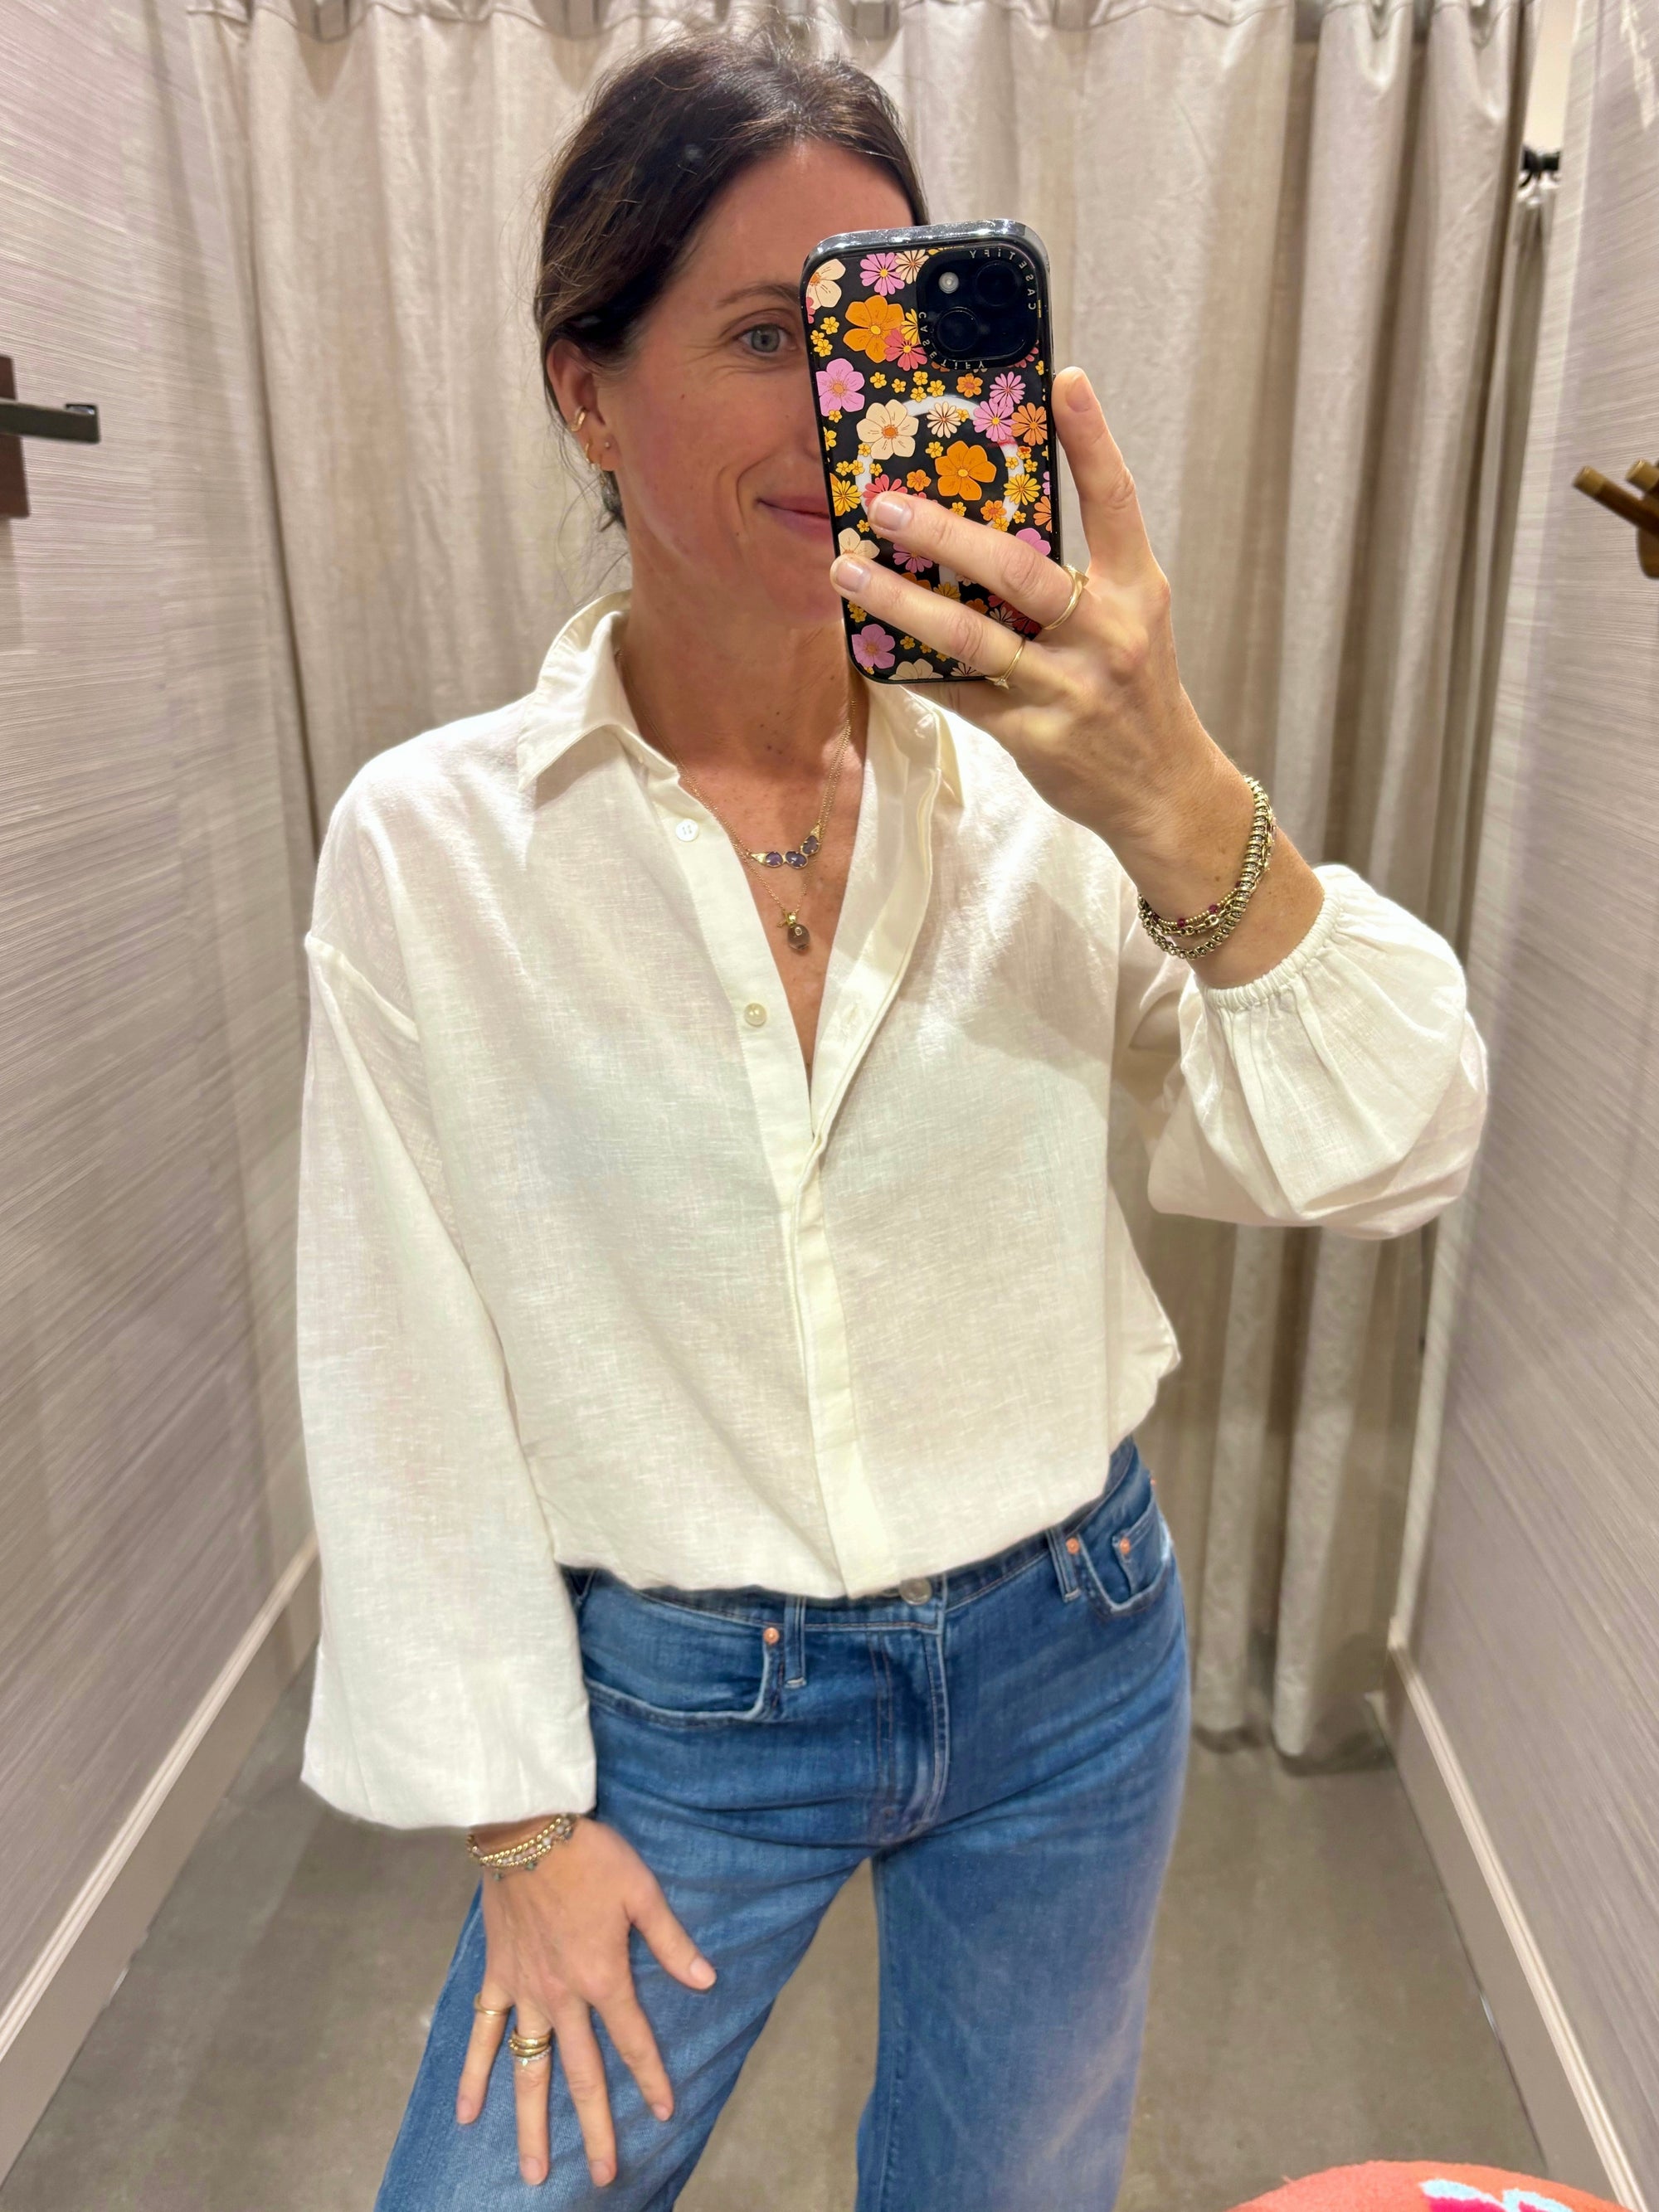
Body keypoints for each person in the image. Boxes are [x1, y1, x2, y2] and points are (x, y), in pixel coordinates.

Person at [294, 27, 1488, 2212]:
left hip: (1071, 1658)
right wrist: (522, 1827)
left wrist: (1172, 786)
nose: (843, 411)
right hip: (677, 1713)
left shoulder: (1052, 793)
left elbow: (1389, 1145)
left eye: (884, 331)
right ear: (586, 389)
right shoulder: (436, 848)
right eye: (768, 335)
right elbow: (398, 1359)